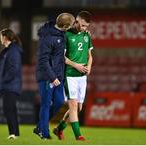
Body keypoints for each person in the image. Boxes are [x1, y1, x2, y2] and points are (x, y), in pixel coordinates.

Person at [33, 13, 75, 140]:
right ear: (65, 27)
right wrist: (53, 77)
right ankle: (44, 133)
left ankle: (40, 126)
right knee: (45, 104)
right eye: (71, 25)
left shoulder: (61, 33)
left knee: (59, 102)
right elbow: (43, 61)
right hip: (47, 76)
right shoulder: (47, 37)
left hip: (58, 76)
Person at [53, 11, 93, 141]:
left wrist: (89, 67)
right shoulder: (66, 35)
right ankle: (78, 136)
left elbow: (89, 56)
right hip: (70, 76)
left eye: (86, 26)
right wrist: (76, 65)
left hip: (82, 77)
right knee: (73, 106)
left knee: (78, 108)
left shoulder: (87, 35)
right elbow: (62, 57)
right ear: (76, 21)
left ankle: (59, 128)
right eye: (81, 25)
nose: (83, 28)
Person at [0, 28, 23, 139]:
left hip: (11, 85)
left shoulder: (13, 51)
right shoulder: (7, 51)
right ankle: (15, 133)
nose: (0, 39)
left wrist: (4, 80)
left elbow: (14, 68)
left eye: (1, 37)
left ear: (5, 37)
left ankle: (13, 133)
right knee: (10, 109)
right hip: (9, 84)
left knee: (8, 109)